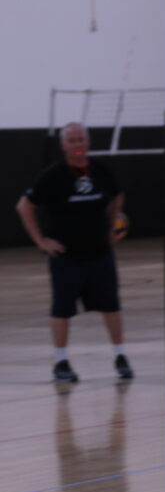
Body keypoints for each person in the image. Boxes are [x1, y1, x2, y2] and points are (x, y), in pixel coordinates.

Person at [15, 122, 133, 383]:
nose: (78, 145)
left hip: (100, 253)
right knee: (62, 309)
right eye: (73, 140)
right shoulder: (52, 176)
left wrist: (113, 222)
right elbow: (24, 206)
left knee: (111, 306)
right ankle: (61, 362)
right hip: (66, 256)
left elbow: (118, 195)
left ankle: (120, 357)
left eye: (81, 139)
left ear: (88, 143)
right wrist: (41, 241)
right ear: (63, 145)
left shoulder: (101, 171)